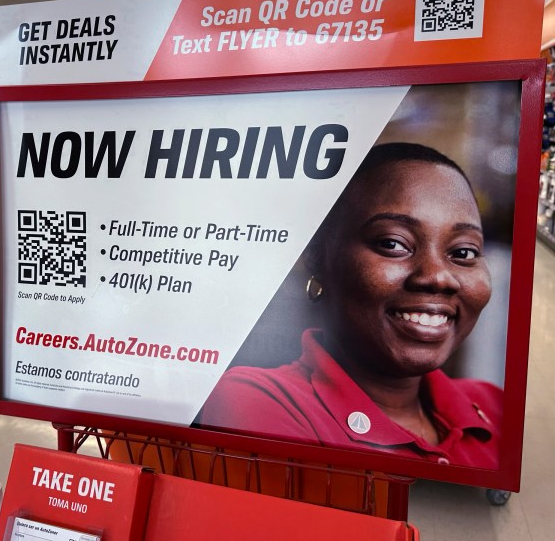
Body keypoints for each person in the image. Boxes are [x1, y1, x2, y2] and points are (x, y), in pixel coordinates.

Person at [201, 142, 502, 468]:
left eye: (464, 253)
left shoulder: (495, 406)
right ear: (317, 259)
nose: (438, 277)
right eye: (393, 244)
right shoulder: (261, 400)